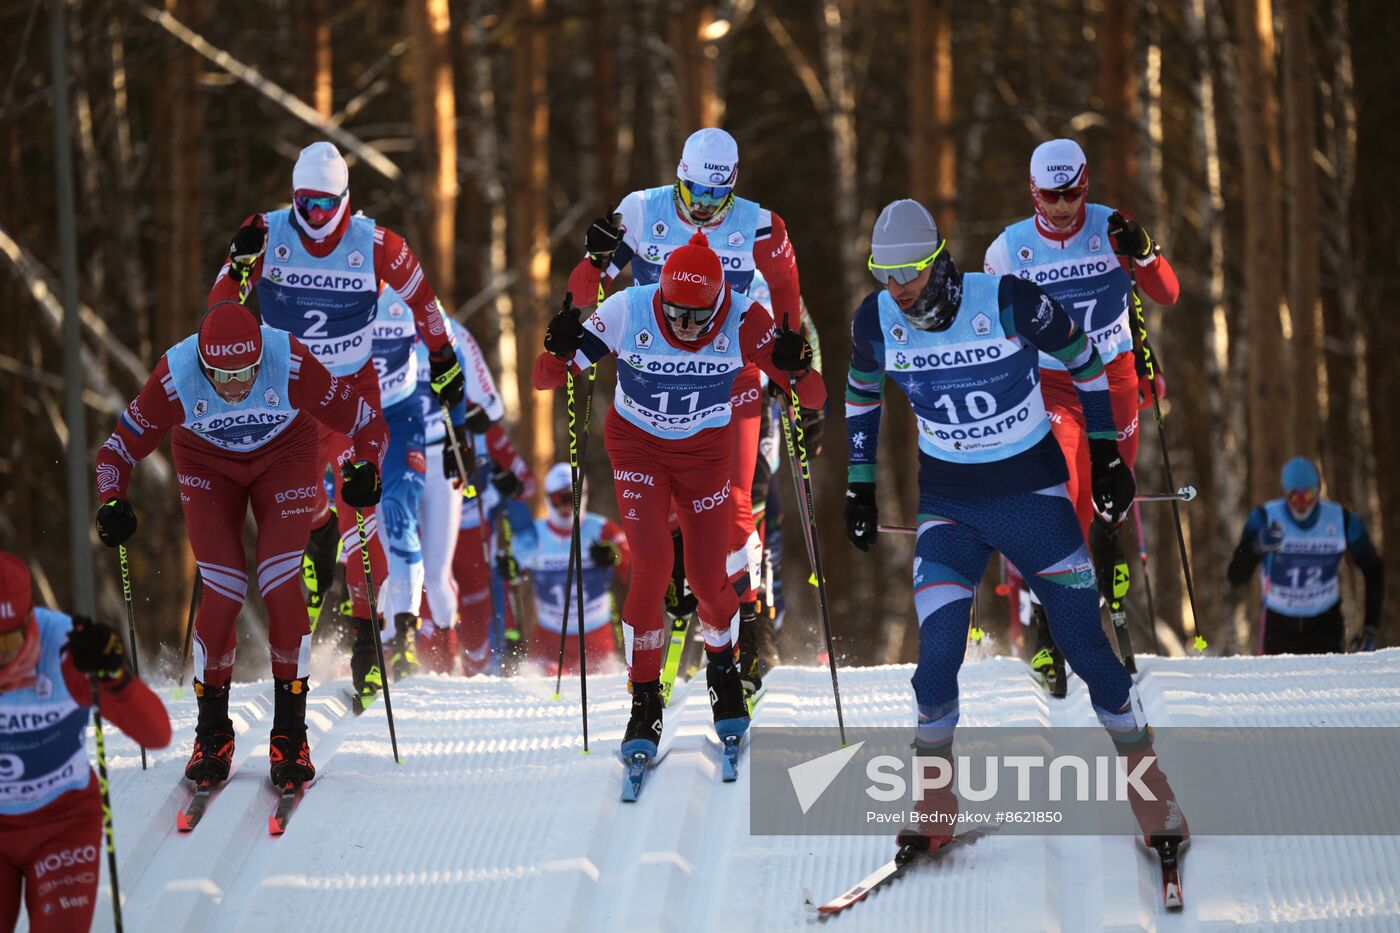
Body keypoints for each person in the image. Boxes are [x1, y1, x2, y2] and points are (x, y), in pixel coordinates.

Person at [844, 199, 1186, 853]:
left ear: (938, 259)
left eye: (910, 271)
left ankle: (1153, 792)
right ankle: (933, 806)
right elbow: (861, 388)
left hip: (1033, 498)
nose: (898, 288)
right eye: (884, 274)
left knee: (1089, 653)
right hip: (949, 506)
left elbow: (1085, 358)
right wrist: (859, 483)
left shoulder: (1005, 300)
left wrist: (1108, 452)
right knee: (936, 659)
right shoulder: (878, 319)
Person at [534, 232, 824, 759]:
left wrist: (797, 365)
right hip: (638, 449)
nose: (686, 327)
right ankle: (644, 702)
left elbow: (813, 395)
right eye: (675, 313)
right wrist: (557, 347)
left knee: (709, 579)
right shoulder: (629, 308)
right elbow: (546, 377)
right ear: (660, 294)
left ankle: (724, 676)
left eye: (698, 317)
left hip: (705, 455)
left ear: (719, 301)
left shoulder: (744, 316)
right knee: (650, 566)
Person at [205, 141, 464, 703]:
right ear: (292, 198)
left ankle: (368, 646)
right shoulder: (267, 231)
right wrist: (238, 266)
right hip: (285, 394)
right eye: (305, 204)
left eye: (326, 205)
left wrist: (442, 360)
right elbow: (219, 314)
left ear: (347, 200)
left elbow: (424, 302)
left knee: (363, 517)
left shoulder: (376, 244)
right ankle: (318, 532)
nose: (315, 218)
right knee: (290, 508)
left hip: (350, 396)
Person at [567, 127, 818, 695]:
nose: (703, 210)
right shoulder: (640, 209)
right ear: (678, 177)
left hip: (731, 374)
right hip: (651, 373)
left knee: (736, 502)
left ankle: (749, 628)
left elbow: (787, 297)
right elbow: (587, 293)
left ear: (733, 190)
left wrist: (792, 356)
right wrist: (594, 257)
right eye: (693, 194)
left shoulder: (759, 225)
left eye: (715, 199)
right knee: (664, 514)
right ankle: (678, 597)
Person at [95, 302, 388, 781]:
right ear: (202, 364)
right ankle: (212, 735)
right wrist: (111, 502)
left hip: (286, 456)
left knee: (278, 583)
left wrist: (367, 469)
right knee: (225, 587)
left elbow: (367, 422)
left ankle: (290, 737)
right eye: (220, 376)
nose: (233, 387)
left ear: (260, 357)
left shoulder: (290, 362)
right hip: (207, 464)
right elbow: (117, 450)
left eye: (247, 374)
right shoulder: (175, 375)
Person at [984, 138, 1179, 694]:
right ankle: (1051, 626)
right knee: (1063, 491)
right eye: (1052, 195)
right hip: (1054, 382)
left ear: (1086, 184)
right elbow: (998, 327)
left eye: (1073, 192)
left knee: (1109, 492)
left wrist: (1144, 252)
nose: (1064, 206)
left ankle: (1109, 542)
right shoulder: (1009, 249)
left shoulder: (1113, 226)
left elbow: (1166, 292)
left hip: (1114, 373)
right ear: (1033, 192)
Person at [0, 552, 171, 933]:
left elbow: (156, 734)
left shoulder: (66, 650)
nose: (2, 659)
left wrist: (114, 677)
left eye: (8, 641)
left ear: (30, 619)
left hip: (61, 826)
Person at [1228, 456, 1384, 654]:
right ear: (1285, 494)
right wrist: (1257, 546)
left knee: (1327, 684)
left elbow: (1373, 570)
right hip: (1277, 624)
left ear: (1318, 491)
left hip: (1324, 624)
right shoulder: (1264, 518)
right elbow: (1236, 575)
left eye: (1307, 496)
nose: (1301, 504)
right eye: (1294, 497)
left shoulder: (1342, 521)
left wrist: (1370, 626)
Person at [502, 463, 630, 675]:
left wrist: (613, 556)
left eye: (572, 499)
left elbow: (634, 570)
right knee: (536, 692)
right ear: (548, 498)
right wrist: (510, 569)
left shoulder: (602, 530)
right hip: (549, 641)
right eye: (558, 499)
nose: (565, 507)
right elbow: (509, 582)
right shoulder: (534, 535)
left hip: (597, 638)